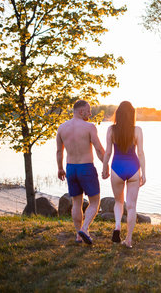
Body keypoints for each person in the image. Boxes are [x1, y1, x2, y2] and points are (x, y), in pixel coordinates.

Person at [56, 100, 105, 245]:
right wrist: (106, 165)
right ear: (81, 111)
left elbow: (59, 151)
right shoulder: (89, 127)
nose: (90, 113)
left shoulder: (61, 128)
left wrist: (60, 168)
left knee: (76, 203)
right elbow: (99, 149)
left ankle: (78, 236)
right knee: (95, 201)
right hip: (86, 168)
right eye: (88, 110)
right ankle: (84, 229)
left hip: (71, 168)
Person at [102, 101, 146, 248]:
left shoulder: (111, 130)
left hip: (117, 168)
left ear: (118, 114)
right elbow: (140, 153)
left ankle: (117, 226)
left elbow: (108, 152)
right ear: (132, 114)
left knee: (119, 202)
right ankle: (128, 239)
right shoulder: (137, 130)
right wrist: (144, 173)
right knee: (132, 206)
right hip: (133, 168)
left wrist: (104, 168)